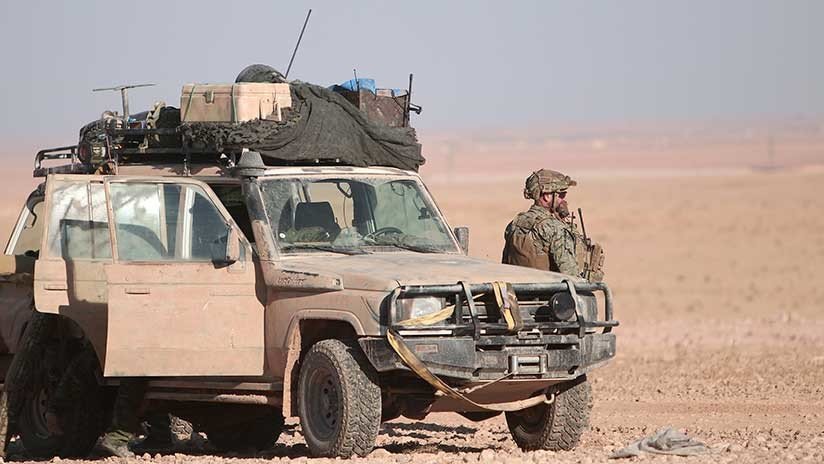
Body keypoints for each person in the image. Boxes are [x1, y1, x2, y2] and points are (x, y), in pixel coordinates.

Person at [502, 169, 596, 278]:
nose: (564, 199)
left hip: (519, 287)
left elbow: (505, 265)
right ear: (547, 196)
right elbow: (572, 276)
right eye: (561, 194)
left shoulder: (515, 223)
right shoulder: (555, 229)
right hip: (548, 288)